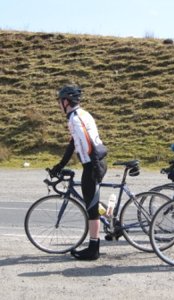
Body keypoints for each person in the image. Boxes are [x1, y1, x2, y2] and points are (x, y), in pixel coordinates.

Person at [50, 85, 107, 260]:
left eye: (60, 101)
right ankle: (111, 218)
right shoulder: (81, 114)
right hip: (94, 162)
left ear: (66, 101)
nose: (59, 105)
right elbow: (73, 143)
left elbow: (87, 143)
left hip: (93, 163)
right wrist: (60, 165)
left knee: (91, 208)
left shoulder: (75, 119)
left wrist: (95, 167)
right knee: (92, 201)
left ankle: (93, 248)